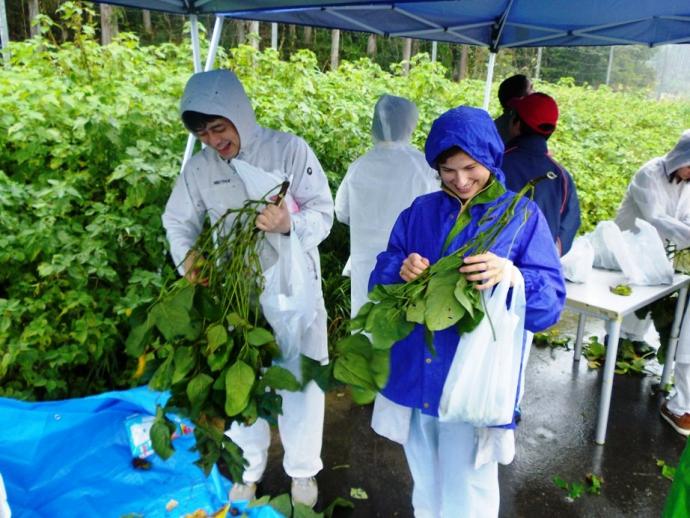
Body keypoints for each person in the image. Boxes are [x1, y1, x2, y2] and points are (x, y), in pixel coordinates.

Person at [368, 106, 565, 517]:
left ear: (491, 158)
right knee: (425, 474)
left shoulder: (520, 216)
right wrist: (399, 270)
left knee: (469, 484)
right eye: (447, 169)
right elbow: (380, 278)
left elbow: (549, 305)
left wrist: (512, 277)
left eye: (471, 167)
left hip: (472, 377)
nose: (460, 180)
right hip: (419, 368)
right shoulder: (420, 211)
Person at [162, 69, 334, 507]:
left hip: (294, 290)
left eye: (219, 127)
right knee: (242, 381)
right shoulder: (200, 168)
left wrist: (290, 223)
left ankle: (302, 471)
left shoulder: (288, 150)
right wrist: (188, 257)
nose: (213, 140)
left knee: (302, 381)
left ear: (239, 114)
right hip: (237, 297)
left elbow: (324, 211)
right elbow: (178, 220)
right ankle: (249, 467)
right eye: (203, 133)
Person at [613, 130, 690, 435]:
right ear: (680, 158)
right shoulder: (650, 174)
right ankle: (619, 340)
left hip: (660, 253)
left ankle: (629, 341)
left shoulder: (685, 183)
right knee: (626, 295)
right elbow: (655, 218)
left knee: (648, 298)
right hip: (628, 245)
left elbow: (683, 217)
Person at [334, 94, 438, 318]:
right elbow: (436, 215)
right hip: (410, 262)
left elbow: (341, 212)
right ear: (410, 124)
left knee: (366, 321)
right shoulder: (422, 166)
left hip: (365, 259)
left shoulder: (359, 167)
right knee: (401, 323)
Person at [502, 92, 581, 255]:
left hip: (491, 268)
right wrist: (544, 260)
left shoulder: (495, 165)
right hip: (539, 271)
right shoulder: (561, 176)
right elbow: (569, 225)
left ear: (516, 124)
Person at [494, 74, 533, 144]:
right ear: (517, 100)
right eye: (531, 88)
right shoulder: (522, 129)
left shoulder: (496, 126)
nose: (534, 92)